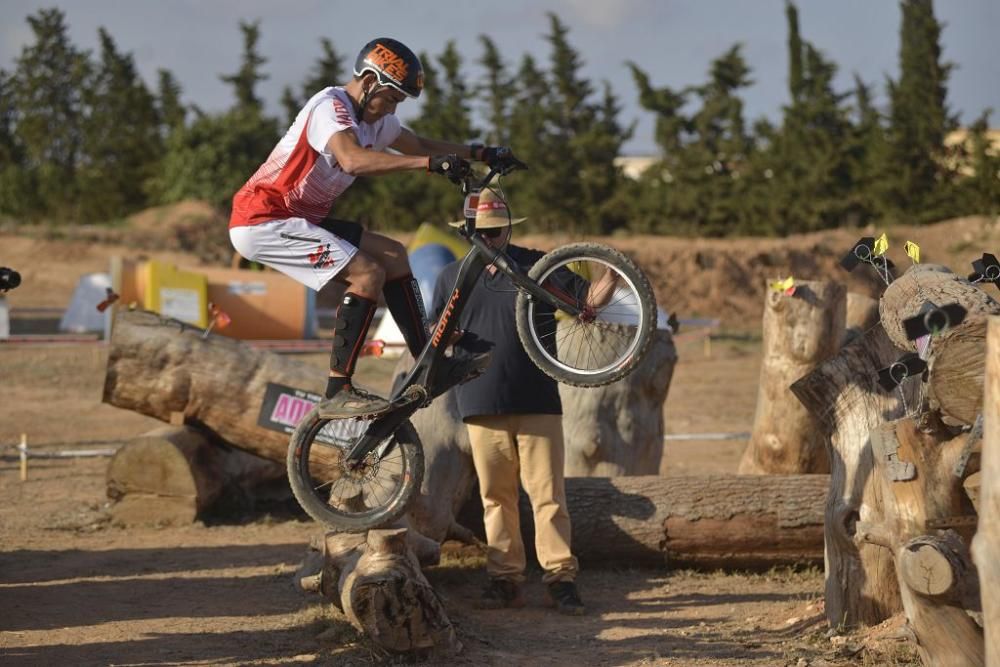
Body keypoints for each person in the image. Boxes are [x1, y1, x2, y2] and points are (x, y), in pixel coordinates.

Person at [229, 37, 505, 417]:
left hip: (299, 218)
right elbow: (353, 160)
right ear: (371, 82)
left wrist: (480, 153)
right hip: (264, 219)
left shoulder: (377, 119)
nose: (391, 110)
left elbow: (417, 142)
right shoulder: (331, 107)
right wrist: (428, 164)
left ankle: (426, 357)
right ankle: (337, 389)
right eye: (390, 99)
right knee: (367, 274)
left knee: (393, 254)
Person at [431, 189, 586, 616]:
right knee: (495, 497)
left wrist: (617, 275)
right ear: (467, 231)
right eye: (481, 231)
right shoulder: (451, 277)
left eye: (496, 230)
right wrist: (446, 342)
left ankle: (561, 578)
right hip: (479, 401)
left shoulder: (537, 265)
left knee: (548, 494)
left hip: (537, 398)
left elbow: (587, 300)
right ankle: (505, 579)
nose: (489, 237)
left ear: (509, 227)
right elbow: (434, 336)